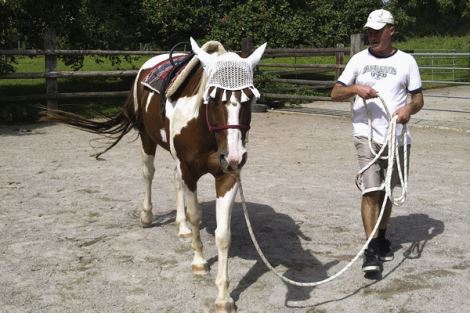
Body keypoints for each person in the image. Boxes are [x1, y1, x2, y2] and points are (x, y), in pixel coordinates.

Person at [330, 9, 424, 273]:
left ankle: (382, 238)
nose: (372, 35)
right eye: (370, 31)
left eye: (378, 30)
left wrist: (408, 110)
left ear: (391, 30)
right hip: (366, 136)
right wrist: (355, 89)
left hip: (396, 138)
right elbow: (335, 92)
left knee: (386, 191)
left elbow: (418, 99)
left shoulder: (406, 62)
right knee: (370, 191)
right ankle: (371, 248)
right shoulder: (358, 60)